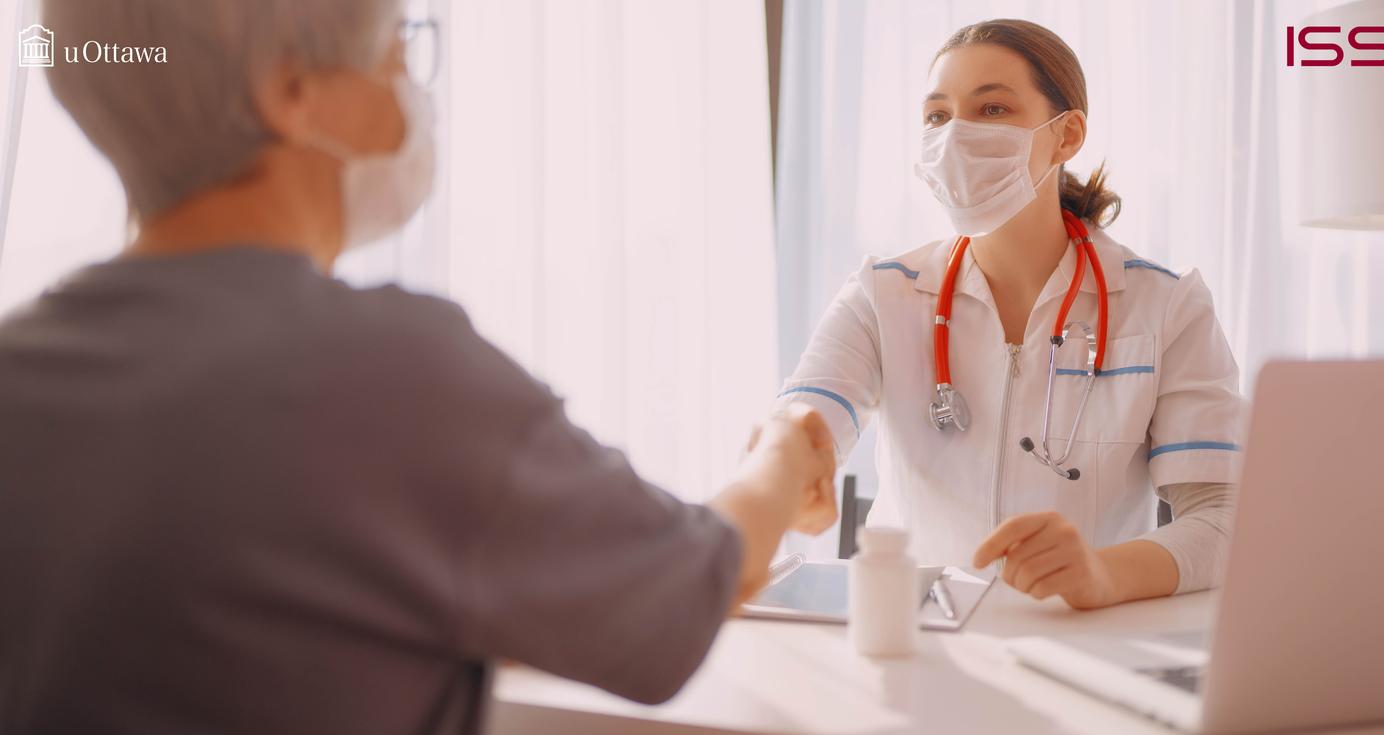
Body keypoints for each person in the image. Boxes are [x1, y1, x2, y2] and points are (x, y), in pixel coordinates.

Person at [0, 1, 837, 733]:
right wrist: (783, 453)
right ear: (290, 90)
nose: (410, 86)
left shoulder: (20, 368)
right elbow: (685, 589)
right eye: (396, 47)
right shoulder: (392, 375)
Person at [775, 19, 1244, 610]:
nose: (956, 136)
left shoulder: (1165, 306)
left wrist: (1101, 574)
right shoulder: (882, 294)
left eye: (992, 109)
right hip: (915, 639)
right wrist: (785, 463)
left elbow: (1225, 520)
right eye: (938, 116)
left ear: (1067, 134)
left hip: (1083, 645)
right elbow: (804, 422)